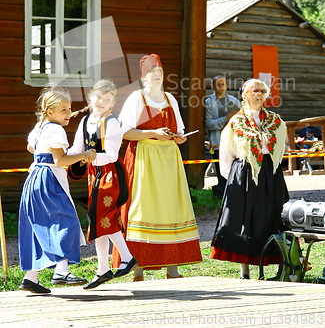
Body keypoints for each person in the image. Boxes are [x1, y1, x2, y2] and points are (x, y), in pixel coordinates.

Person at [112, 54, 202, 281]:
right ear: (143, 76)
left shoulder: (170, 98)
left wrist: (179, 138)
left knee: (171, 207)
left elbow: (179, 130)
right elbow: (124, 132)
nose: (157, 73)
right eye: (152, 70)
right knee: (143, 208)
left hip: (169, 159)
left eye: (159, 69)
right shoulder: (137, 98)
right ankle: (138, 269)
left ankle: (173, 268)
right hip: (145, 157)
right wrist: (153, 133)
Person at [19, 86, 96, 294]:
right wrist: (84, 155)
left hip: (34, 178)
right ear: (50, 111)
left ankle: (30, 277)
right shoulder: (55, 129)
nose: (68, 113)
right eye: (63, 109)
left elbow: (31, 149)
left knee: (39, 226)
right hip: (49, 179)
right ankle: (61, 271)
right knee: (66, 221)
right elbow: (59, 160)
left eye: (69, 108)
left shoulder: (39, 128)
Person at [211, 78, 289, 279]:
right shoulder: (235, 122)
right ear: (245, 94)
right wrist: (233, 181)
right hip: (244, 172)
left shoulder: (275, 120)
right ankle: (244, 271)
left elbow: (280, 150)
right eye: (254, 90)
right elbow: (226, 153)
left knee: (273, 215)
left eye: (262, 91)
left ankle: (281, 265)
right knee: (244, 219)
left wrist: (271, 167)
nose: (259, 94)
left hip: (269, 172)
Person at [68, 79, 137, 289]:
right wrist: (59, 157)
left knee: (103, 217)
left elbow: (112, 154)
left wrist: (88, 157)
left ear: (112, 103)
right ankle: (102, 269)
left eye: (107, 99)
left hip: (110, 174)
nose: (101, 102)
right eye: (98, 97)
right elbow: (76, 147)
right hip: (94, 174)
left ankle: (126, 257)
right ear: (91, 98)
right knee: (97, 220)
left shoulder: (112, 122)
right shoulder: (85, 120)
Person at [205, 75, 240, 197]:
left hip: (234, 143)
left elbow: (242, 122)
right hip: (217, 143)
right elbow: (209, 124)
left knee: (234, 170)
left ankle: (234, 195)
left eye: (223, 84)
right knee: (221, 172)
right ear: (213, 86)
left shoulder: (234, 102)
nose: (220, 87)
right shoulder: (208, 102)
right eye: (218, 84)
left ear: (227, 86)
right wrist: (226, 118)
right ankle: (221, 195)